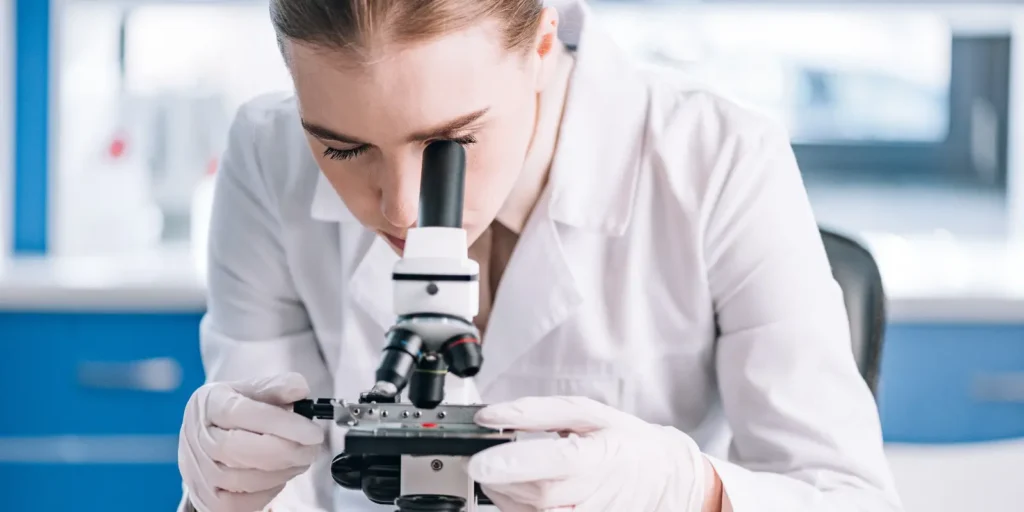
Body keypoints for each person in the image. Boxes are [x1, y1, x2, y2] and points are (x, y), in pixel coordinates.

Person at [176, 0, 904, 511]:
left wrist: (693, 491)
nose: (398, 208)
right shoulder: (266, 155)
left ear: (542, 45)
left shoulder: (717, 160)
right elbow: (280, 478)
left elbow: (850, 499)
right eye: (340, 146)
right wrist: (230, 494)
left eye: (450, 145)